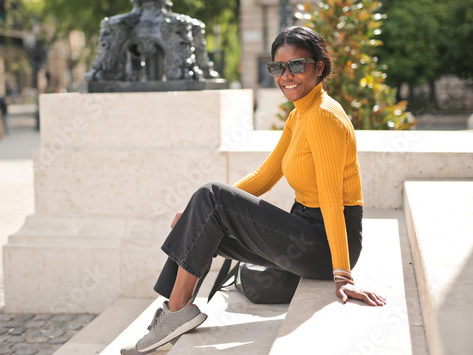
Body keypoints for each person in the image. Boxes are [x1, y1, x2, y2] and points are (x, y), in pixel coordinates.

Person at [121, 26, 386, 355]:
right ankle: (173, 310)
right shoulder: (299, 115)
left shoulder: (323, 116)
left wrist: (343, 275)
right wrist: (197, 212)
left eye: (297, 65)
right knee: (204, 214)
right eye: (278, 67)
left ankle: (176, 312)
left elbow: (332, 199)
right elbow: (266, 175)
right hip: (306, 229)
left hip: (326, 244)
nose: (286, 76)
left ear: (319, 67)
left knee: (211, 198)